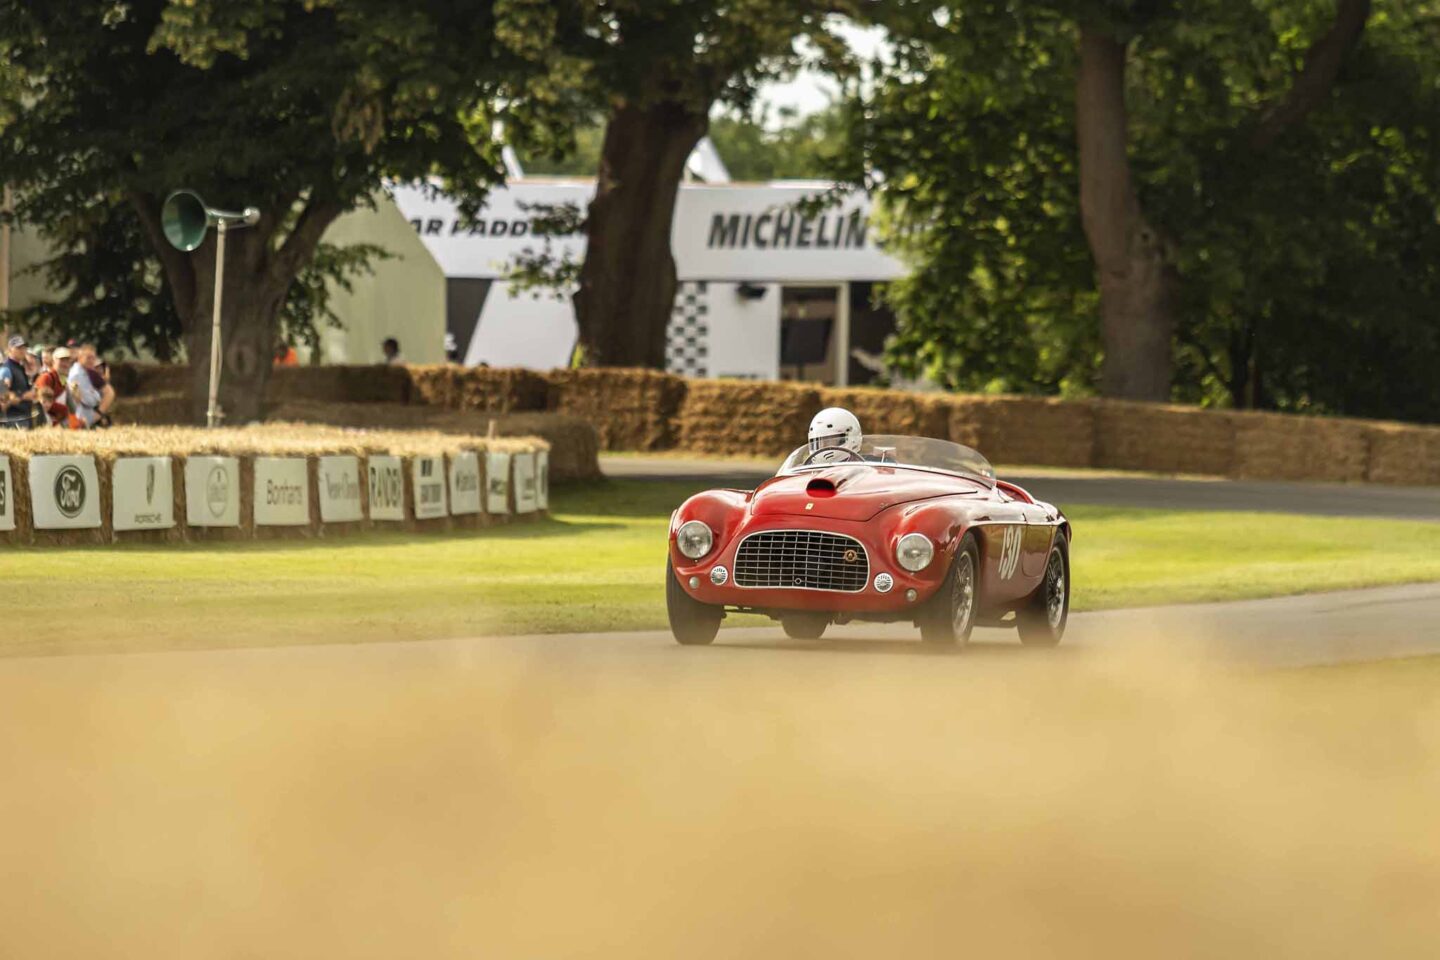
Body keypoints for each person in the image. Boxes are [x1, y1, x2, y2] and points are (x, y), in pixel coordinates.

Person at [67, 344, 115, 428]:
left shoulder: (88, 372)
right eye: (88, 358)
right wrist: (98, 413)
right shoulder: (77, 374)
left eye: (93, 358)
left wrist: (100, 411)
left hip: (87, 415)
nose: (92, 361)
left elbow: (109, 393)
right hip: (83, 416)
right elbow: (88, 400)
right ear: (80, 357)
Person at [35, 347, 78, 427]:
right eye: (62, 360)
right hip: (44, 422)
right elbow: (41, 403)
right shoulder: (46, 377)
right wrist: (64, 410)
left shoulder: (63, 380)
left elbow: (72, 407)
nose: (65, 364)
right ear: (53, 361)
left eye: (67, 361)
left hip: (56, 422)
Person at [1, 334, 37, 427]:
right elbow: (3, 396)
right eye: (18, 348)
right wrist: (23, 396)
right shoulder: (6, 369)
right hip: (13, 419)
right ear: (10, 349)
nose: (22, 350)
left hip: (24, 417)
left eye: (23, 347)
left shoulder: (19, 367)